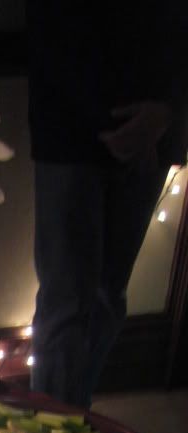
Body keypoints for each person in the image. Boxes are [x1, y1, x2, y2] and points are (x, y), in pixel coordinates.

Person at [27, 3, 188, 408]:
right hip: (69, 123)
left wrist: (168, 111)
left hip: (153, 125)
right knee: (66, 301)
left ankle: (71, 414)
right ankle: (51, 428)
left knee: (106, 296)